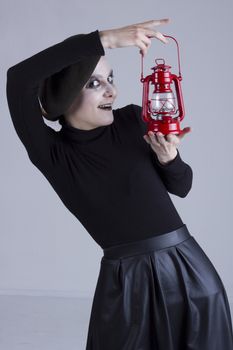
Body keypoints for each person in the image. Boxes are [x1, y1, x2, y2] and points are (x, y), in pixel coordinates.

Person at [6, 19, 233, 350]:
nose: (111, 90)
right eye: (94, 83)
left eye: (110, 79)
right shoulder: (54, 154)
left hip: (189, 269)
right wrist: (103, 39)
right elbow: (19, 79)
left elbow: (182, 187)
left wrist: (170, 159)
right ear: (65, 95)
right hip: (127, 282)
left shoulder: (132, 120)